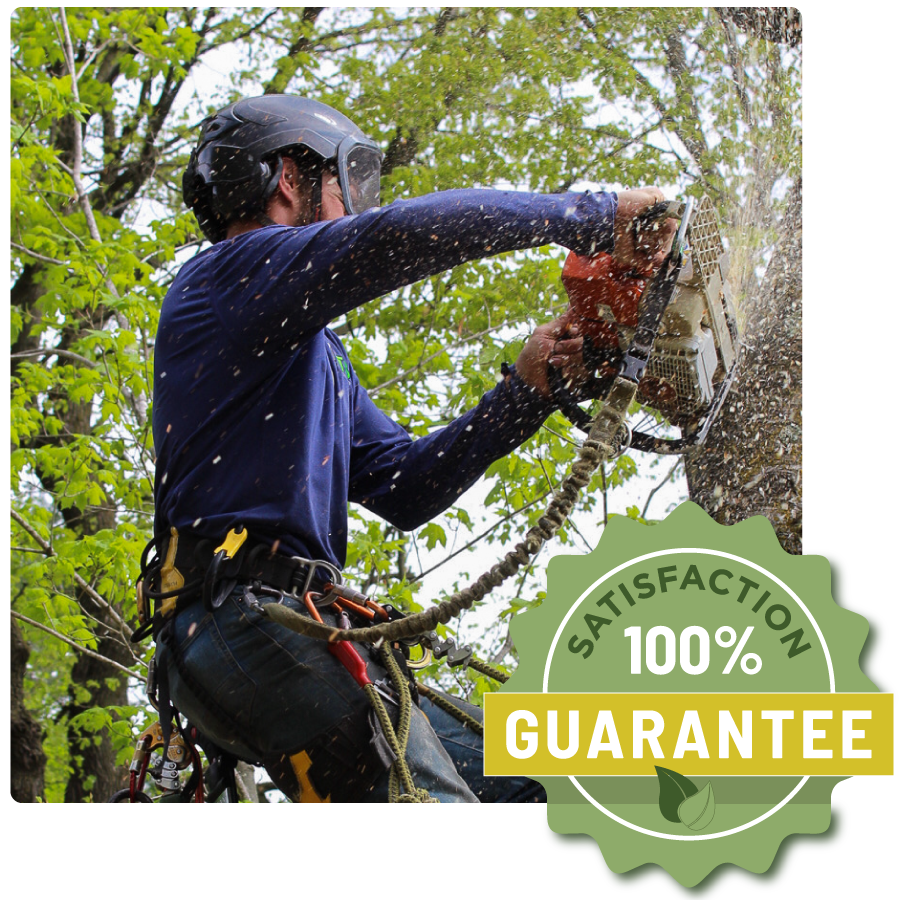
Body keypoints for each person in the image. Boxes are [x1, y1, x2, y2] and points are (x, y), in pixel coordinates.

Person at [148, 94, 674, 802]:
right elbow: (390, 241)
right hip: (246, 620)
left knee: (556, 783)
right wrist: (590, 215)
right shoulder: (223, 280)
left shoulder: (302, 354)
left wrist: (528, 388)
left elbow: (406, 485)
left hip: (287, 627)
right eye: (344, 183)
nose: (357, 208)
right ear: (287, 180)